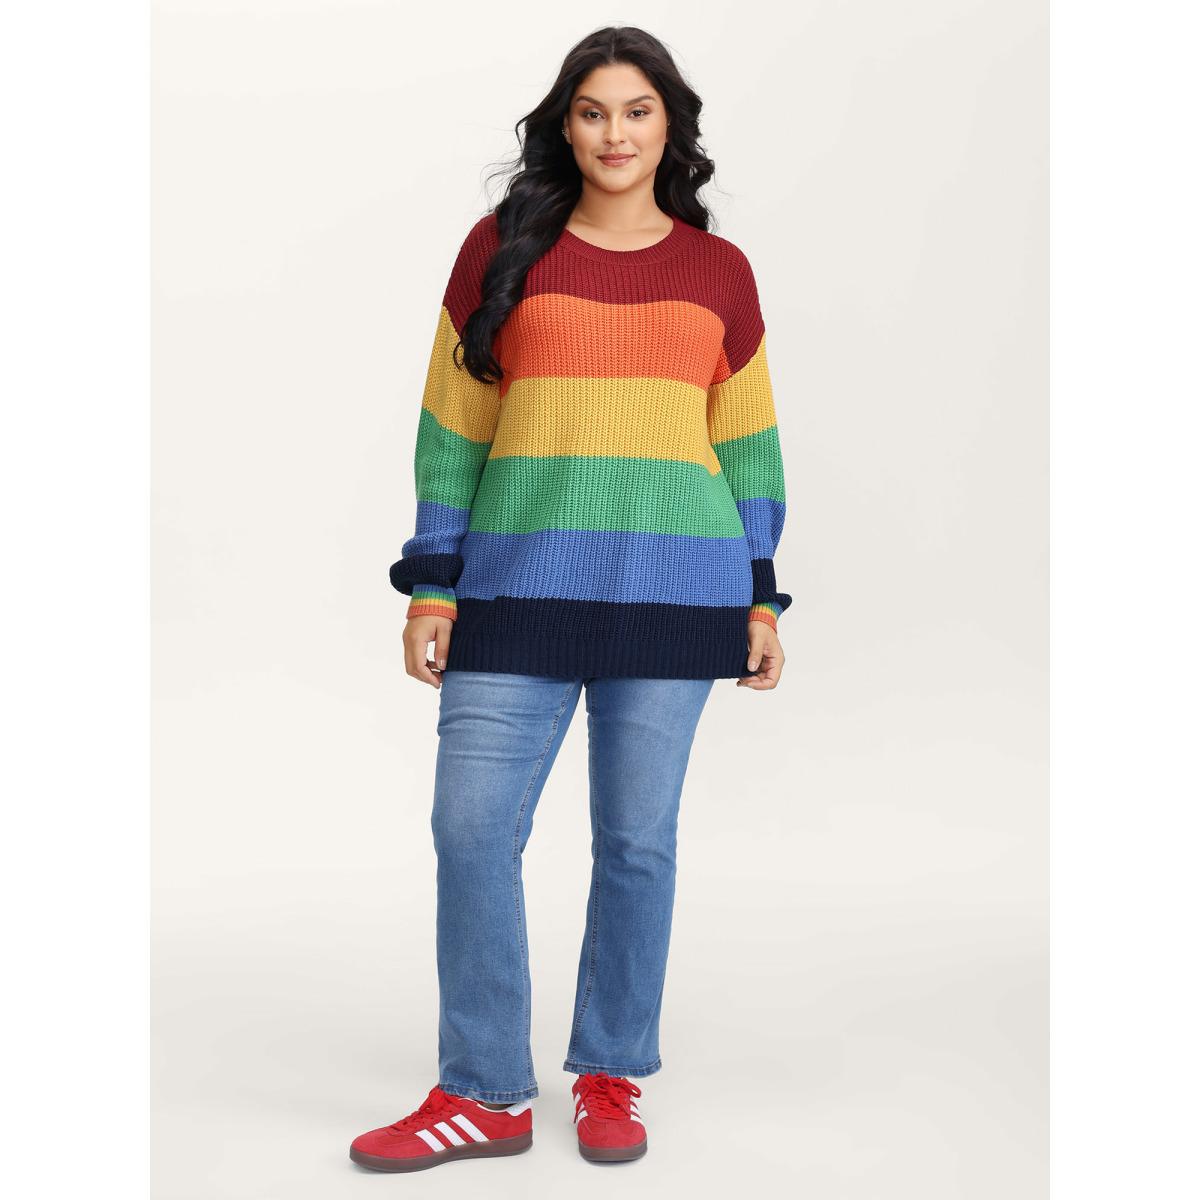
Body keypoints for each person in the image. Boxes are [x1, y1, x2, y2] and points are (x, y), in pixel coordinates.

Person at [350, 25, 790, 1173]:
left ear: (669, 126)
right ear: (566, 124)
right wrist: (431, 581)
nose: (614, 133)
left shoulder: (719, 272)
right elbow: (452, 428)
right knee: (470, 829)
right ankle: (485, 1092)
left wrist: (760, 599)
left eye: (637, 111)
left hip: (677, 595)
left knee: (636, 844)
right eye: (593, 112)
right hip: (516, 588)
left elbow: (747, 445)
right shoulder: (502, 251)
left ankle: (609, 1070)